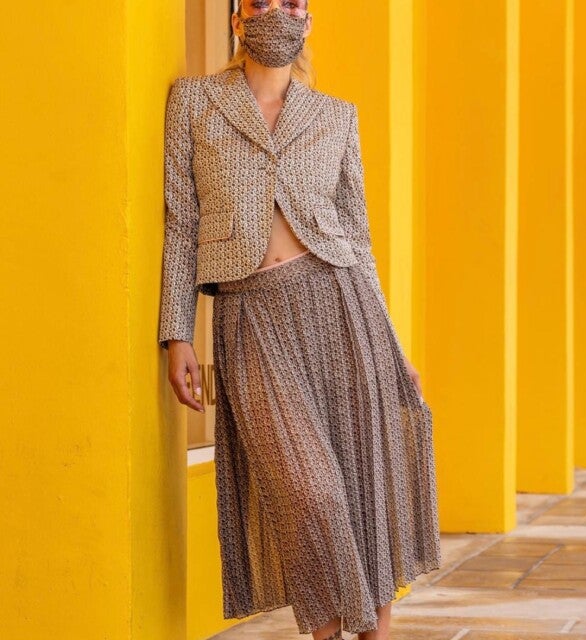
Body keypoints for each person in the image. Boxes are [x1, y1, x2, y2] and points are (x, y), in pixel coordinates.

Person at [157, 1, 442, 639]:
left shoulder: (336, 116)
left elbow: (358, 240)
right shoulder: (195, 102)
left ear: (308, 21)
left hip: (341, 306)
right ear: (237, 18)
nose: (278, 13)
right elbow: (180, 222)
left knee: (363, 487)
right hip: (251, 317)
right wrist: (178, 333)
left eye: (292, 4)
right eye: (263, 1)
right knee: (310, 493)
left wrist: (394, 348)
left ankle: (365, 633)